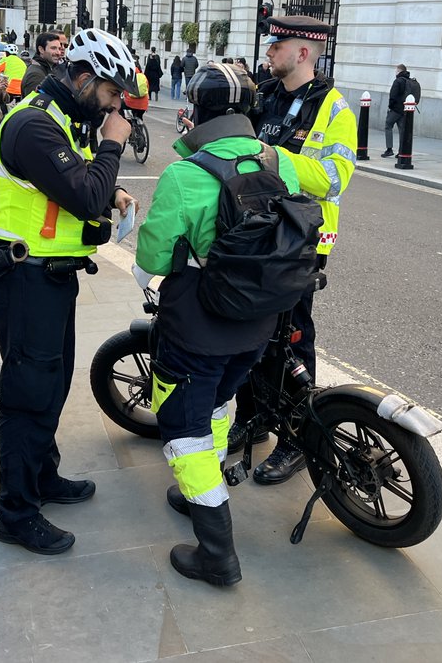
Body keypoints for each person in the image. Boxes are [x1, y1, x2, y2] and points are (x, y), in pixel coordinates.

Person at [135, 62, 300, 586]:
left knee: (183, 432)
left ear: (197, 112)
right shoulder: (282, 163)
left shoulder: (186, 175)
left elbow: (156, 256)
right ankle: (195, 490)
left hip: (197, 328)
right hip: (259, 324)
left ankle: (217, 554)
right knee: (220, 400)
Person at [0, 27, 138, 555]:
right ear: (85, 78)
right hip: (23, 280)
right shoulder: (32, 126)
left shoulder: (63, 121)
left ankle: (42, 478)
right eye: (113, 94)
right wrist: (112, 147)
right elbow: (82, 193)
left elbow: (75, 188)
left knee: (53, 384)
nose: (117, 106)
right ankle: (15, 513)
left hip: (50, 277)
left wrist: (109, 187)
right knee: (28, 396)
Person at [235, 15, 356, 485]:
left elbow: (332, 179)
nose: (268, 51)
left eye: (276, 44)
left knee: (292, 335)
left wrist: (275, 157)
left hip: (302, 238)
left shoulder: (335, 109)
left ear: (303, 51)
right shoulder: (264, 95)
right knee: (249, 329)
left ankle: (296, 439)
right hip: (257, 231)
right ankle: (257, 417)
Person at [20, 31, 64, 98]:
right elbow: (36, 104)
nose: (58, 52)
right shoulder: (36, 74)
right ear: (41, 49)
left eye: (59, 48)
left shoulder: (48, 68)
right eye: (53, 48)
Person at [381, 63, 412, 158]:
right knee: (402, 130)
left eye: (396, 71)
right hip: (405, 109)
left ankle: (389, 149)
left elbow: (393, 95)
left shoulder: (398, 81)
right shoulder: (409, 81)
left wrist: (390, 106)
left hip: (395, 109)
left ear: (399, 71)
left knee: (388, 125)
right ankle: (401, 151)